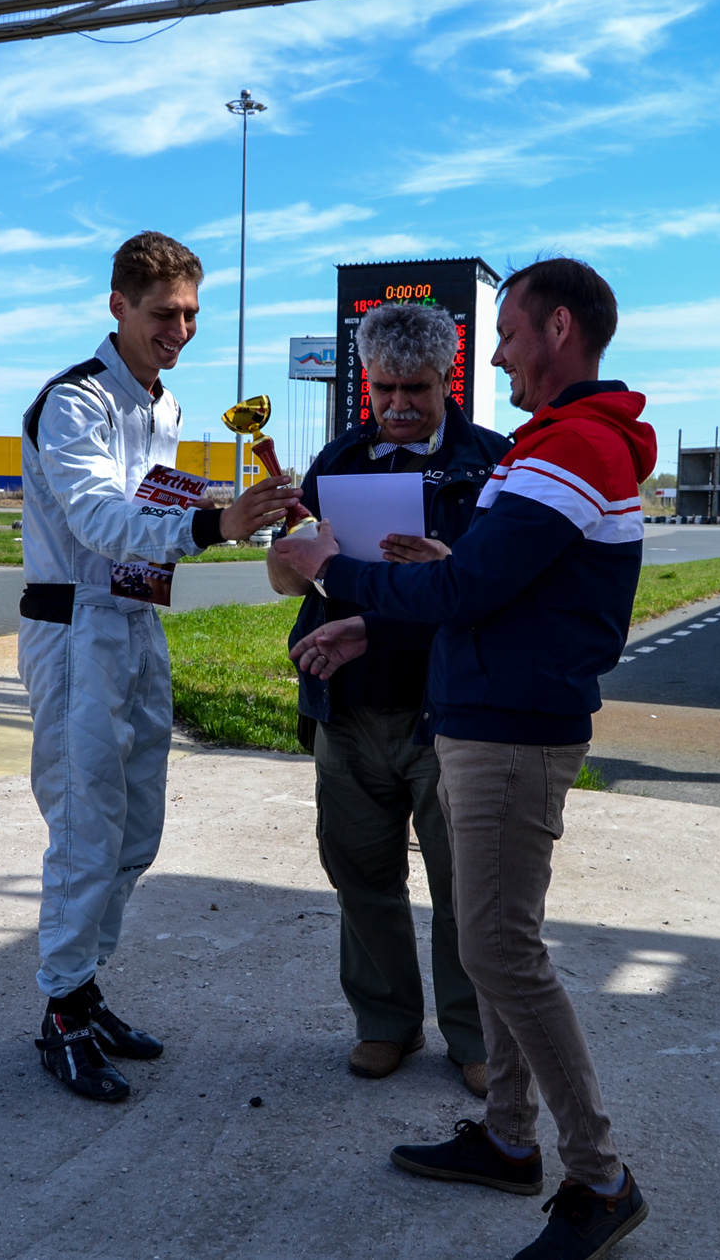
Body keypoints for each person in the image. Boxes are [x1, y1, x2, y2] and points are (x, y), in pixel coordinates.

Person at [274, 257, 653, 1260]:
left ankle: (599, 1176)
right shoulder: (556, 444)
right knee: (494, 937)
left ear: (558, 328)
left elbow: (465, 595)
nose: (497, 357)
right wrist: (376, 620)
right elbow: (492, 587)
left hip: (511, 727)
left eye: (509, 335)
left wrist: (336, 571)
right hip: (488, 707)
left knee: (497, 950)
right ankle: (508, 1137)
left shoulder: (568, 445)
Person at [20, 231, 300, 1102]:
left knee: (137, 828)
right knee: (85, 826)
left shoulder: (164, 404)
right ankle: (60, 1011)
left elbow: (146, 519)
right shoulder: (73, 401)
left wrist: (221, 515)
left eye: (190, 314)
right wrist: (217, 524)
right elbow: (100, 521)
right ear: (118, 306)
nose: (179, 330)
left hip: (136, 620)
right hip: (74, 629)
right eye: (163, 313)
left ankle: (82, 987)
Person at [265, 302, 508, 1095]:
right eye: (383, 389)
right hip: (347, 703)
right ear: (365, 382)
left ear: (447, 381)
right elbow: (287, 582)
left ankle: (473, 1036)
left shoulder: (493, 464)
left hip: (446, 709)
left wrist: (448, 569)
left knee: (464, 886)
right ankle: (384, 1022)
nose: (398, 405)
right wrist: (288, 556)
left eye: (415, 389)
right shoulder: (337, 460)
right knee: (361, 874)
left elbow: (503, 591)